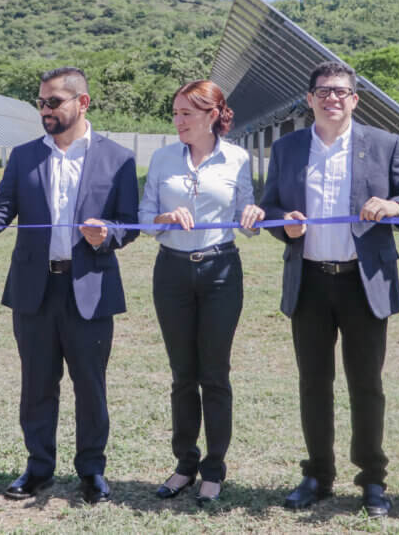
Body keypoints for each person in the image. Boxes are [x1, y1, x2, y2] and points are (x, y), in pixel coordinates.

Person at [0, 66, 139, 504]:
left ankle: (92, 471)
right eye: (41, 102)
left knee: (91, 387)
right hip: (34, 292)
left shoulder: (118, 158)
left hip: (90, 290)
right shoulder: (24, 156)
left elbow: (129, 223)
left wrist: (109, 234)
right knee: (37, 386)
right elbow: (0, 211)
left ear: (82, 102)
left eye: (53, 102)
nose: (44, 109)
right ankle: (38, 467)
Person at [259, 61, 399, 518]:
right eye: (323, 91)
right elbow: (270, 205)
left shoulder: (383, 144)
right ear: (310, 99)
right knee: (314, 383)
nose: (332, 98)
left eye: (341, 91)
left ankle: (372, 479)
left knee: (366, 385)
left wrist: (395, 204)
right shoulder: (288, 148)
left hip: (363, 281)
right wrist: (285, 227)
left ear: (355, 99)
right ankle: (317, 474)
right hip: (310, 280)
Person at [138, 80, 264, 504]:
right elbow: (143, 219)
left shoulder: (238, 159)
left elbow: (248, 213)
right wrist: (164, 217)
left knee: (215, 374)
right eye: (175, 113)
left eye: (187, 114)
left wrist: (252, 215)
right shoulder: (161, 158)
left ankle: (214, 469)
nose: (178, 122)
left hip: (220, 272)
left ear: (213, 115)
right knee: (182, 375)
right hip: (171, 273)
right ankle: (184, 465)